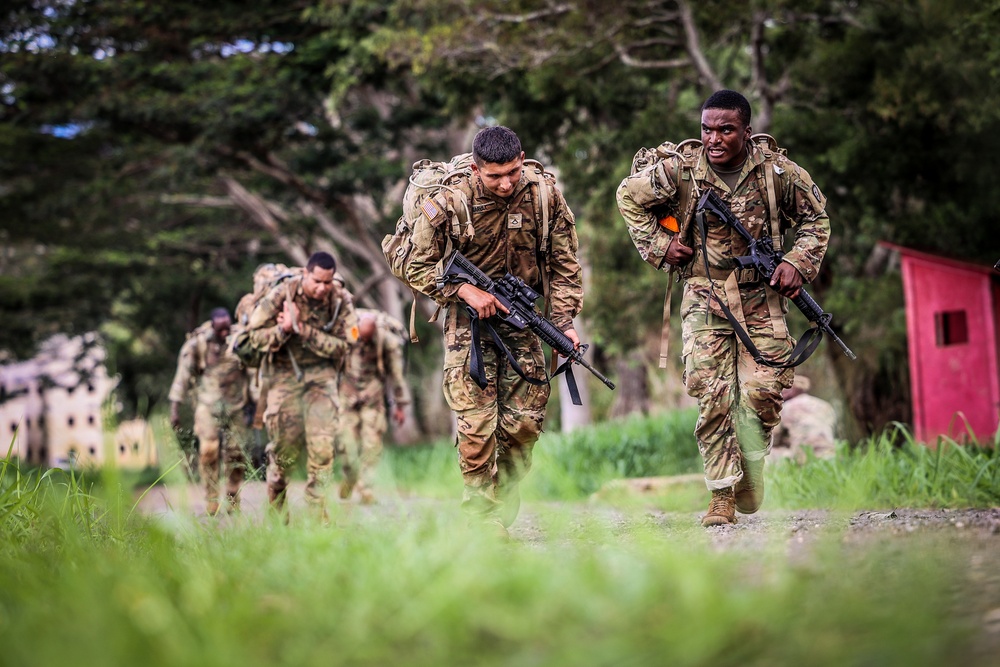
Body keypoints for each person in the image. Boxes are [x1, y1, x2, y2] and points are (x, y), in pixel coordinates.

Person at [617, 90, 831, 527]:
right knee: (711, 394)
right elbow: (628, 195)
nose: (714, 138)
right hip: (705, 294)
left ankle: (751, 463)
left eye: (726, 130)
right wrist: (660, 246)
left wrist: (796, 262)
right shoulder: (681, 170)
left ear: (746, 132)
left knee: (765, 391)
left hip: (762, 296)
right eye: (707, 129)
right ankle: (720, 495)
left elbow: (816, 219)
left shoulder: (777, 173)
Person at [405, 125, 584, 536]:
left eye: (513, 172)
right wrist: (463, 289)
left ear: (522, 159)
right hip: (467, 325)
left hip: (523, 321)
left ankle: (504, 488)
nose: (505, 183)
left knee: (524, 425)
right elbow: (414, 264)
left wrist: (564, 324)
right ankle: (481, 518)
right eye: (494, 176)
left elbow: (564, 263)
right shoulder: (450, 202)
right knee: (476, 422)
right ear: (475, 168)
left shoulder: (544, 195)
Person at [246, 251, 359, 520]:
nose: (322, 288)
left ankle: (317, 514)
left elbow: (348, 343)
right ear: (305, 274)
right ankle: (276, 510)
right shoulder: (282, 295)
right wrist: (283, 330)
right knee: (284, 452)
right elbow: (253, 336)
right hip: (284, 378)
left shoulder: (341, 300)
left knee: (322, 448)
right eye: (316, 281)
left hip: (321, 379)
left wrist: (303, 330)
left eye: (327, 282)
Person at [168, 308, 249, 515]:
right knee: (208, 450)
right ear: (213, 326)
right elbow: (182, 377)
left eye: (227, 328)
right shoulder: (198, 344)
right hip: (207, 405)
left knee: (236, 453)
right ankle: (212, 498)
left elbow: (254, 370)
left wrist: (259, 405)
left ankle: (232, 493)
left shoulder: (239, 340)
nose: (224, 333)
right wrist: (174, 409)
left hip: (236, 405)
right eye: (220, 329)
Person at [336, 309, 411, 504]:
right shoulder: (346, 336)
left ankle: (366, 488)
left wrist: (400, 405)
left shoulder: (386, 341)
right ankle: (350, 477)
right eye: (362, 335)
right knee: (346, 444)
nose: (365, 340)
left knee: (372, 445)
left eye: (369, 336)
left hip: (373, 397)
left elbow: (396, 375)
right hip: (347, 396)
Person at [772, 375, 837, 463]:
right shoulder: (825, 405)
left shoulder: (786, 408)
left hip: (803, 458)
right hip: (829, 456)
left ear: (791, 390)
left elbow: (774, 439)